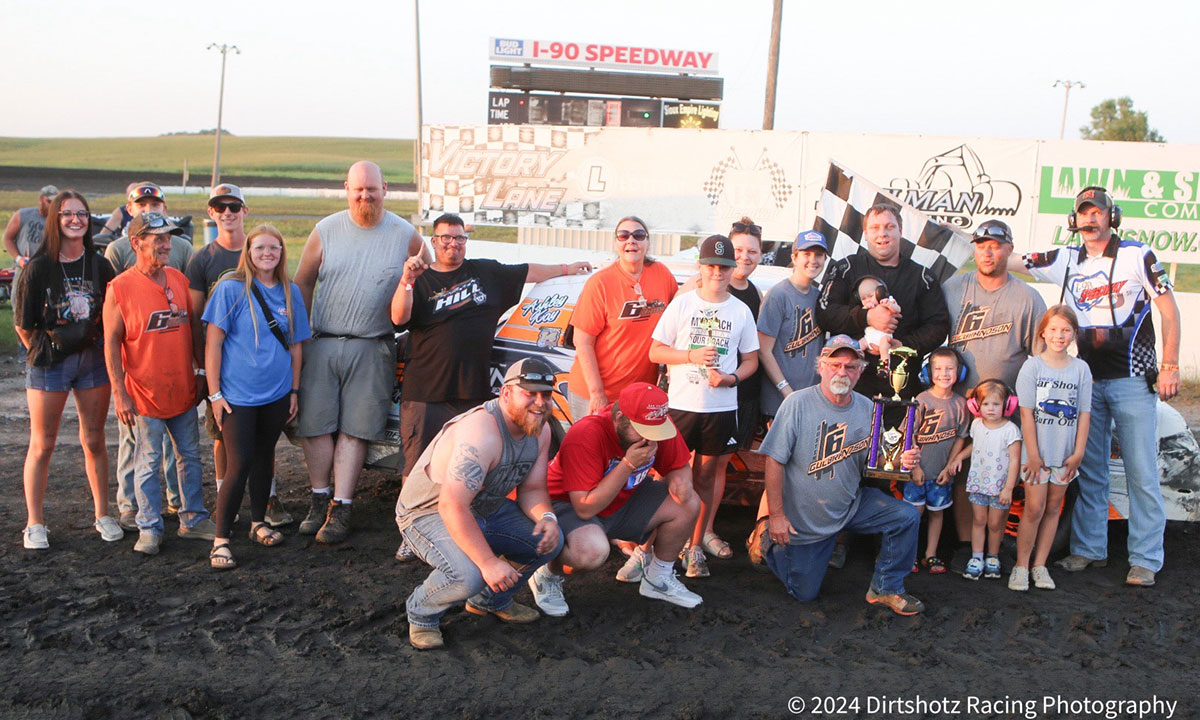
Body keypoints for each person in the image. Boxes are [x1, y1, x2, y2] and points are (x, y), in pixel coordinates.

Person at [1014, 185, 1181, 587]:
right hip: (1085, 380)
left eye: (1097, 213)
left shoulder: (1136, 254)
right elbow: (1013, 258)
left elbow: (1170, 311)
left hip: (1131, 378)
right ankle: (1090, 549)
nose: (1090, 220)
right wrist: (978, 243)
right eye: (1083, 214)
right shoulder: (1066, 258)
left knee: (1140, 470)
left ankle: (1145, 558)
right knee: (1089, 469)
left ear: (1112, 216)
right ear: (1074, 220)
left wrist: (1171, 365)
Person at [389, 212, 591, 481]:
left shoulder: (486, 272)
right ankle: (411, 522)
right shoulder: (420, 280)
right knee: (417, 469)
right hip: (425, 392)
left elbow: (526, 271)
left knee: (468, 465)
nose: (453, 243)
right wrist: (407, 281)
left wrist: (566, 269)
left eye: (460, 237)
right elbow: (398, 318)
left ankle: (459, 517)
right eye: (446, 237)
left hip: (471, 393)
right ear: (434, 242)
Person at [293, 161, 429, 543]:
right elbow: (302, 282)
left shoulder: (406, 234)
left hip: (373, 345)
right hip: (322, 341)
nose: (365, 196)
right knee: (315, 425)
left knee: (356, 429)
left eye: (371, 189)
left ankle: (341, 506)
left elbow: (430, 276)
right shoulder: (325, 231)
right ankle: (318, 498)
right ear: (346, 189)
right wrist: (299, 335)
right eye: (358, 190)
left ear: (385, 188)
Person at [395, 358, 564, 650]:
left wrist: (547, 517)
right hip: (428, 511)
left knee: (550, 540)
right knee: (469, 574)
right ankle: (421, 614)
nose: (540, 402)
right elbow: (452, 506)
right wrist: (487, 563)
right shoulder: (481, 432)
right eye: (530, 393)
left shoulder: (541, 429)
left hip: (483, 507)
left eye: (546, 394)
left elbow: (533, 488)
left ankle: (489, 601)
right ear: (506, 393)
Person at [757, 335, 924, 614]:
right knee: (804, 594)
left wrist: (900, 459)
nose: (842, 372)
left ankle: (886, 587)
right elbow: (774, 461)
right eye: (835, 364)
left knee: (906, 516)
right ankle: (763, 537)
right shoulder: (797, 404)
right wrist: (775, 516)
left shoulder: (869, 408)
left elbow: (878, 461)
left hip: (850, 506)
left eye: (850, 367)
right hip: (804, 522)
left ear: (860, 371)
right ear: (820, 366)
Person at [529, 382, 703, 616]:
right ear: (620, 417)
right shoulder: (587, 433)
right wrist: (628, 464)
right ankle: (546, 575)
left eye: (654, 431)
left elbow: (680, 466)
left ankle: (658, 578)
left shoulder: (656, 424)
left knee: (689, 502)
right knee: (591, 552)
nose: (649, 438)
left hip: (623, 499)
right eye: (641, 430)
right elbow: (584, 508)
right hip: (567, 504)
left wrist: (681, 482)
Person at [103, 212, 216, 556]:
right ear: (136, 243)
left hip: (181, 387)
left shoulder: (178, 280)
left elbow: (194, 329)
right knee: (148, 461)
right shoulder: (120, 288)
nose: (167, 245)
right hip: (144, 394)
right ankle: (149, 526)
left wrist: (200, 372)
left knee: (189, 457)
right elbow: (110, 342)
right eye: (159, 239)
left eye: (169, 238)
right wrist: (119, 393)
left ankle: (192, 519)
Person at [13, 190, 120, 549]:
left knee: (94, 440)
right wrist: (44, 354)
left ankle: (103, 514)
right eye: (67, 214)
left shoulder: (99, 264)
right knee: (43, 444)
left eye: (82, 214)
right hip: (49, 361)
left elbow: (113, 315)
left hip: (91, 361)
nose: (76, 220)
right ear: (54, 219)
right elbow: (23, 324)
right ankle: (35, 523)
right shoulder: (38, 266)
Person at [648, 234, 758, 578]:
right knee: (666, 475)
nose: (718, 272)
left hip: (721, 408)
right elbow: (655, 352)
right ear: (701, 266)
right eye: (712, 265)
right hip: (681, 404)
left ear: (731, 269)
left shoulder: (740, 310)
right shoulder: (682, 304)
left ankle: (694, 548)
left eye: (724, 266)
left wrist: (731, 379)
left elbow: (752, 360)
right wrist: (690, 356)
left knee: (706, 476)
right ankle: (650, 548)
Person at [203, 225, 310, 570]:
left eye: (274, 248)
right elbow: (213, 344)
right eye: (260, 248)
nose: (267, 254)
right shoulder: (231, 289)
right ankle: (221, 541)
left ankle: (258, 522)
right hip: (237, 396)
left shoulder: (291, 292)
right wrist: (215, 394)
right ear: (248, 252)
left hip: (277, 393)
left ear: (282, 252)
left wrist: (293, 390)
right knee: (239, 462)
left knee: (266, 457)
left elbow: (296, 346)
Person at [187, 184, 290, 527]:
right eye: (220, 206)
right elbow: (196, 319)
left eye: (234, 206)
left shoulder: (263, 248)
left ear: (245, 211)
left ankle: (268, 501)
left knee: (263, 444)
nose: (227, 212)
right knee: (223, 438)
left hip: (265, 373)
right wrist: (203, 373)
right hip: (225, 371)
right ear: (211, 212)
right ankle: (223, 502)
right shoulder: (203, 259)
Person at [943, 219, 1046, 559]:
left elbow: (1041, 359)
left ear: (1009, 249)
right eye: (982, 245)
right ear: (974, 249)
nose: (988, 252)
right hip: (959, 403)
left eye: (996, 245)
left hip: (1004, 410)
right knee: (961, 473)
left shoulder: (1028, 298)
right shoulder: (953, 288)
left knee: (999, 473)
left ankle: (993, 549)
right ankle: (962, 546)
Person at [106, 182, 195, 530]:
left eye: (154, 202)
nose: (148, 207)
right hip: (140, 379)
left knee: (183, 452)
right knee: (141, 451)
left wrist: (199, 371)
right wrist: (120, 390)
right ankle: (136, 511)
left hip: (176, 376)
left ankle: (180, 505)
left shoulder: (181, 256)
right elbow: (113, 330)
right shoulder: (116, 254)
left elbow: (188, 314)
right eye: (141, 203)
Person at [748, 230, 828, 564]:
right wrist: (785, 390)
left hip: (810, 398)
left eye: (818, 255)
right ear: (793, 256)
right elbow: (763, 349)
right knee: (778, 468)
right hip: (781, 400)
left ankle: (787, 534)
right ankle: (760, 536)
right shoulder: (779, 295)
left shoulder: (821, 296)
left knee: (801, 470)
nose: (812, 260)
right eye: (805, 254)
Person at [816, 203, 950, 401]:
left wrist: (902, 344)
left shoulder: (922, 277)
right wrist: (867, 317)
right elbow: (824, 313)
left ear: (900, 231)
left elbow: (938, 325)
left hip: (902, 389)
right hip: (849, 388)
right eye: (875, 228)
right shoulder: (846, 267)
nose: (882, 234)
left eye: (889, 227)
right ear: (865, 233)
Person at [1010, 306, 1092, 591]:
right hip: (1037, 455)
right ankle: (1021, 566)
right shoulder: (1033, 367)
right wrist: (1032, 455)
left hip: (1065, 455)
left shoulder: (1081, 369)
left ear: (1074, 335)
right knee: (1034, 508)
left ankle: (1040, 566)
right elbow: (1026, 414)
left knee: (1054, 508)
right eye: (1054, 329)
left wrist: (1078, 452)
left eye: (1066, 330)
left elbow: (1083, 414)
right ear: (1043, 332)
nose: (1060, 335)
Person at [566, 216, 677, 421]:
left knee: (631, 453)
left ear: (648, 242)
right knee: (594, 451)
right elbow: (582, 342)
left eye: (639, 235)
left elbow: (680, 312)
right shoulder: (600, 283)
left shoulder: (662, 274)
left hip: (638, 395)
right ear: (616, 243)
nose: (631, 240)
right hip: (595, 393)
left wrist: (706, 276)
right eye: (623, 235)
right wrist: (597, 393)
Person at [946, 380, 1021, 581]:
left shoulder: (1011, 430)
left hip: (999, 486)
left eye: (996, 404)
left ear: (1007, 405)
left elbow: (1015, 460)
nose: (990, 409)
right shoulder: (977, 425)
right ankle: (977, 557)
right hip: (978, 482)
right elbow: (975, 445)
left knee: (995, 524)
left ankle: (993, 557)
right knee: (979, 520)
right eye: (986, 404)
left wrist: (1008, 488)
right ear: (977, 406)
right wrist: (959, 457)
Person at [905, 347, 969, 574]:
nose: (944, 373)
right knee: (914, 514)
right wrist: (916, 467)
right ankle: (909, 555)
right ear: (928, 373)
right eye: (938, 369)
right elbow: (909, 436)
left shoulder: (961, 404)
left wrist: (950, 468)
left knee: (937, 513)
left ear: (959, 373)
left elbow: (960, 439)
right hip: (919, 472)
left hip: (941, 473)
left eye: (950, 368)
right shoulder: (922, 400)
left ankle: (930, 555)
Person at [4, 185, 57, 273]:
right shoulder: (23, 215)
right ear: (40, 200)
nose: (52, 205)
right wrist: (19, 259)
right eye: (49, 201)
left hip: (48, 270)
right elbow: (7, 239)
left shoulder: (60, 220)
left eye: (55, 202)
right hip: (24, 269)